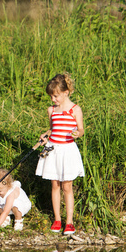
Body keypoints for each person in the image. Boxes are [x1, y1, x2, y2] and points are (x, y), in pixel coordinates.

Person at [35, 73, 85, 235]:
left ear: (66, 92)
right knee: (55, 185)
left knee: (67, 186)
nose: (53, 99)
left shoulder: (75, 109)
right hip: (53, 150)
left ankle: (69, 222)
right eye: (51, 96)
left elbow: (81, 129)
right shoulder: (52, 110)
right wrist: (45, 136)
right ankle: (57, 219)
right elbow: (52, 129)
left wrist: (78, 133)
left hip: (67, 150)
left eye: (55, 96)